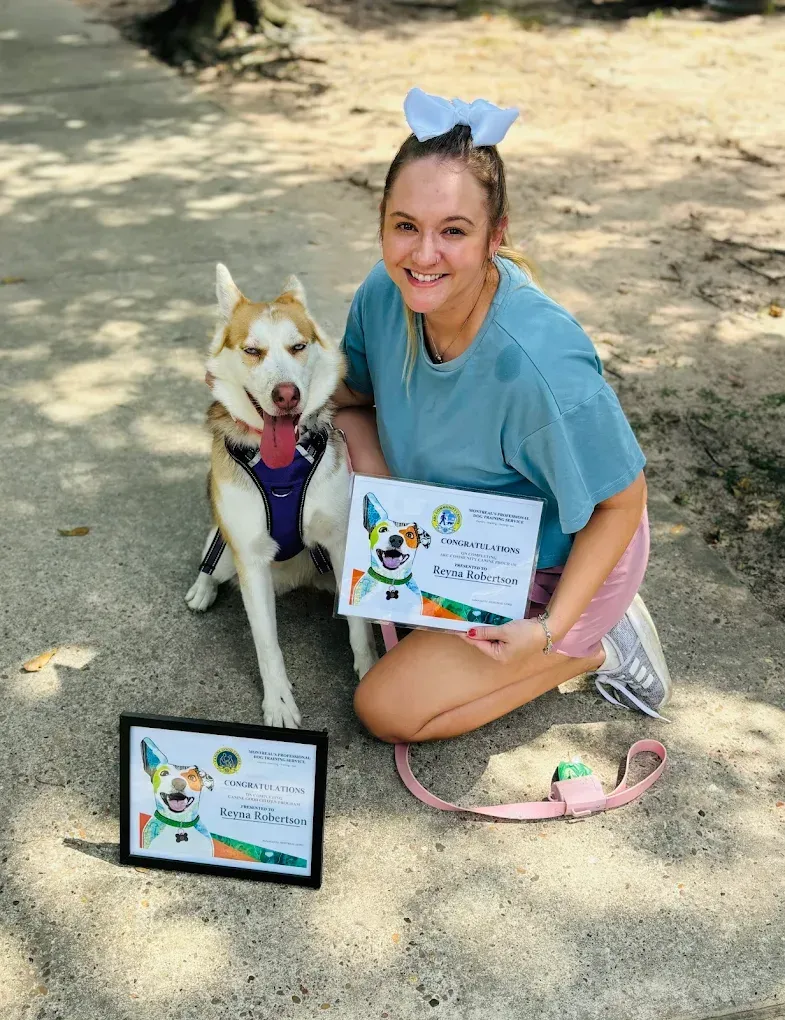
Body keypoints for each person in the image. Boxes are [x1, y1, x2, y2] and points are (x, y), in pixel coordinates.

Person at [332, 87, 672, 746]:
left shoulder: (538, 362)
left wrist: (545, 631)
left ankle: (601, 644)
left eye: (452, 231)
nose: (421, 255)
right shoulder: (383, 293)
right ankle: (442, 608)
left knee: (389, 709)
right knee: (335, 433)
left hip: (554, 566)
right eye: (405, 225)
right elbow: (350, 399)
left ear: (496, 234)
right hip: (456, 531)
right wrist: (266, 384)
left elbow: (622, 504)